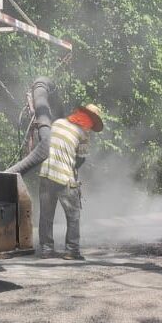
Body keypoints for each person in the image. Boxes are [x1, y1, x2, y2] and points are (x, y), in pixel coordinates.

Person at [38, 104, 103, 260]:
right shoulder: (84, 133)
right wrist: (73, 169)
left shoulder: (58, 122)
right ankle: (72, 251)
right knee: (73, 215)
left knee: (46, 215)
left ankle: (46, 250)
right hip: (63, 177)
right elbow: (80, 159)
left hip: (45, 173)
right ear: (91, 120)